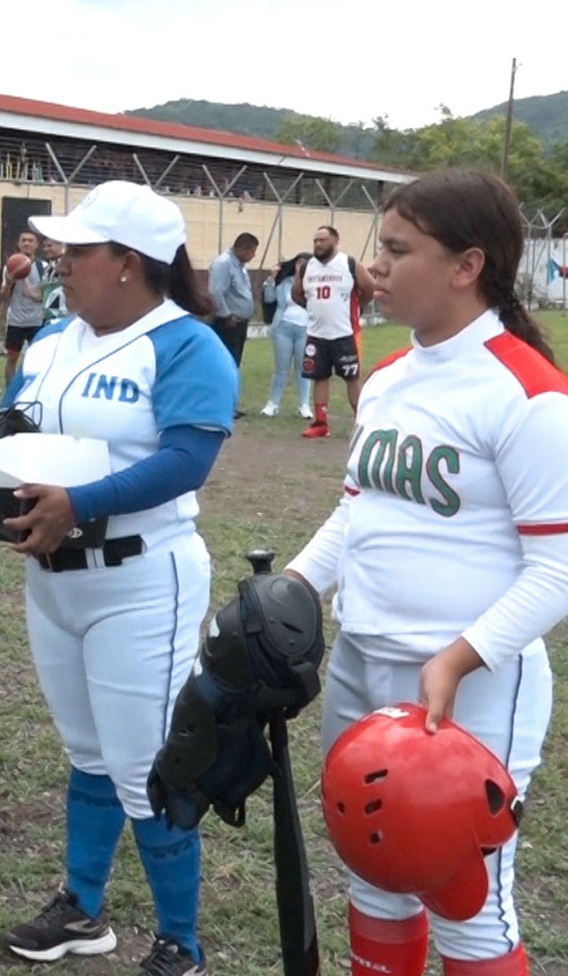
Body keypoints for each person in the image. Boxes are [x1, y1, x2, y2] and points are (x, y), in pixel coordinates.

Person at [285, 168, 568, 976]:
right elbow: (357, 512)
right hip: (362, 660)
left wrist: (453, 658)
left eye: (398, 250)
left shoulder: (528, 395)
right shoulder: (388, 379)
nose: (377, 267)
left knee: (466, 905)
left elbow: (558, 568)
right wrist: (295, 587)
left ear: (466, 265)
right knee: (376, 878)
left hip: (467, 686)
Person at [0, 180, 237, 976]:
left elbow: (186, 459)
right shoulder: (54, 339)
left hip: (142, 579)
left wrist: (78, 503)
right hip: (54, 577)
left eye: (78, 252)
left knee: (145, 765)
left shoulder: (185, 342)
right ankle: (84, 909)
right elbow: (8, 434)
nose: (59, 262)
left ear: (129, 263)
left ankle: (181, 943)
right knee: (87, 750)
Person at [294, 224, 375, 438]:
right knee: (319, 376)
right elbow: (297, 295)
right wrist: (314, 309)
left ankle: (362, 422)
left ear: (335, 241)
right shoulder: (307, 266)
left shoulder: (348, 263)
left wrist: (356, 307)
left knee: (352, 376)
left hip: (344, 333)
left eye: (323, 240)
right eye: (316, 241)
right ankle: (320, 422)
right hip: (316, 334)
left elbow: (370, 287)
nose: (318, 244)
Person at [259, 253, 314, 419]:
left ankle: (304, 405)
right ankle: (272, 404)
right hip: (283, 327)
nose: (300, 267)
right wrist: (271, 279)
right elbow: (269, 299)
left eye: (305, 264)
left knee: (303, 368)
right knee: (281, 368)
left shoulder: (313, 284)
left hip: (305, 329)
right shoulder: (285, 282)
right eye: (298, 263)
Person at [208, 232, 258, 374]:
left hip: (239, 323)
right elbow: (215, 291)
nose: (253, 256)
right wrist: (226, 315)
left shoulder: (240, 265)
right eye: (252, 252)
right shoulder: (224, 263)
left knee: (234, 361)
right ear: (244, 249)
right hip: (228, 323)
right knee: (225, 362)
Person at [0, 227, 46, 379]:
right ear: (18, 244)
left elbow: (45, 297)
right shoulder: (10, 266)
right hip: (16, 320)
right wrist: (8, 283)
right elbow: (3, 297)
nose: (27, 243)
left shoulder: (43, 267)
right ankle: (10, 397)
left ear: (37, 245)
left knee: (37, 359)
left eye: (30, 240)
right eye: (23, 240)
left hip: (37, 320)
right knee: (11, 360)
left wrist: (32, 293)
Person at [40, 238, 69, 321]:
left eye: (50, 246)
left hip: (64, 316)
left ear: (62, 245)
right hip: (48, 317)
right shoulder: (48, 268)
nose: (46, 249)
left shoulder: (68, 265)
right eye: (44, 246)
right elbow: (40, 295)